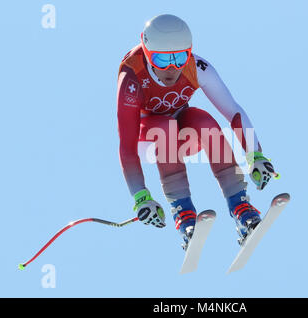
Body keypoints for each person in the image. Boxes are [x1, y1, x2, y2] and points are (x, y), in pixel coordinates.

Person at [117, 14, 277, 249]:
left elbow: (233, 111)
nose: (171, 68)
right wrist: (141, 196)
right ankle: (184, 214)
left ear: (189, 52)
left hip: (184, 134)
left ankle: (240, 206)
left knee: (202, 119)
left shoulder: (197, 67)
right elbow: (127, 145)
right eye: (161, 60)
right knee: (163, 127)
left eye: (180, 58)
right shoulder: (132, 76)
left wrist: (255, 154)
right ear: (147, 53)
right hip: (149, 138)